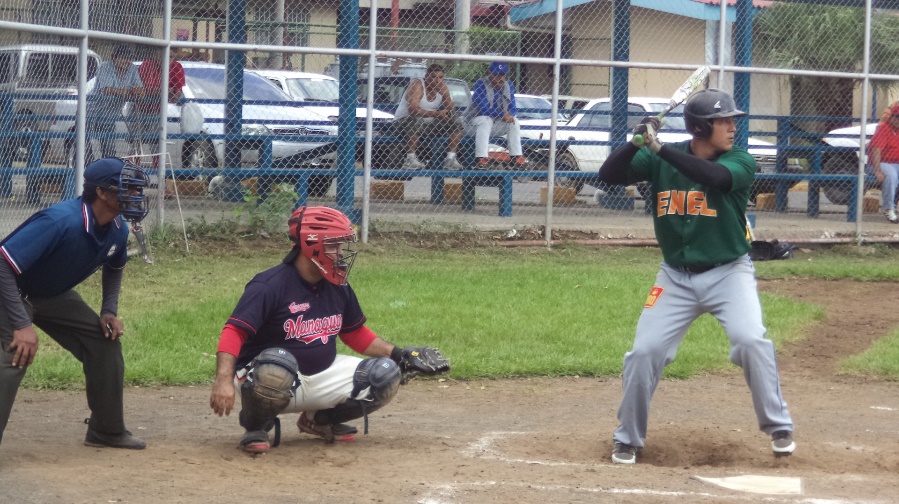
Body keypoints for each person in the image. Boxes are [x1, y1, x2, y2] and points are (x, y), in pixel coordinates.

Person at [597, 89, 795, 465]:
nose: (733, 127)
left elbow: (715, 177)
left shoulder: (740, 161)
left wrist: (658, 149)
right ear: (701, 127)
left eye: (732, 120)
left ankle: (778, 424)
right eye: (724, 121)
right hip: (674, 278)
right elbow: (608, 174)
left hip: (729, 274)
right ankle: (627, 437)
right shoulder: (660, 156)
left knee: (750, 339)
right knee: (644, 352)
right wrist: (636, 139)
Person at [209, 206, 449, 454]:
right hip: (265, 378)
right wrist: (223, 379)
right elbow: (234, 331)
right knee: (277, 366)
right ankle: (256, 425)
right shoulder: (269, 285)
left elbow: (354, 333)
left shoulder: (338, 285)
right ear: (312, 245)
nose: (341, 253)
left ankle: (319, 420)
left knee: (385, 373)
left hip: (319, 376)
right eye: (334, 245)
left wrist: (398, 354)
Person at [0, 157, 150, 449]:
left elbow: (115, 267)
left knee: (103, 342)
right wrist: (21, 324)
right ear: (102, 193)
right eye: (127, 188)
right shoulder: (60, 221)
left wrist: (109, 310)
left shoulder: (118, 229)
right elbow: (3, 264)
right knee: (14, 357)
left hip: (51, 294)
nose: (136, 195)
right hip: (9, 289)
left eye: (136, 189)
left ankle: (106, 431)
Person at [393, 63, 464, 170]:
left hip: (427, 126)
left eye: (440, 77)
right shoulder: (418, 85)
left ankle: (450, 159)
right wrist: (436, 114)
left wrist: (445, 96)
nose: (437, 81)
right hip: (403, 123)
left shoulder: (442, 88)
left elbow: (451, 110)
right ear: (426, 77)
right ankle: (410, 159)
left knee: (454, 119)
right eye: (433, 77)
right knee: (417, 118)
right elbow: (412, 110)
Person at [86, 44, 144, 163]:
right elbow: (107, 90)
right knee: (84, 145)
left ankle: (106, 176)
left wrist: (134, 91)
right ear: (114, 58)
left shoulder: (132, 69)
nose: (126, 61)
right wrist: (129, 91)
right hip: (91, 111)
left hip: (110, 115)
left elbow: (140, 92)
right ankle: (81, 172)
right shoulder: (105, 66)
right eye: (123, 57)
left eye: (129, 58)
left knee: (109, 150)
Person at [462, 62, 525, 168]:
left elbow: (513, 107)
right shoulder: (481, 84)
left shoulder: (508, 85)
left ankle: (516, 157)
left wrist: (510, 115)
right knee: (486, 120)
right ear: (489, 73)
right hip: (472, 124)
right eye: (497, 75)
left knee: (514, 121)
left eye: (502, 74)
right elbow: (484, 109)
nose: (500, 78)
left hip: (493, 126)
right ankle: (481, 159)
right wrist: (502, 114)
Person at [134, 47, 185, 164]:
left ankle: (158, 175)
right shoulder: (147, 65)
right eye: (165, 56)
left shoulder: (177, 67)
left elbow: (176, 95)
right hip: (139, 108)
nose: (168, 60)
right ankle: (132, 173)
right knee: (136, 143)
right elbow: (149, 90)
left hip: (157, 110)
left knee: (156, 144)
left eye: (171, 57)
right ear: (157, 55)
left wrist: (166, 91)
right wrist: (168, 90)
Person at [867, 103, 899, 224]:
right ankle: (888, 208)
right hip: (880, 163)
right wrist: (877, 170)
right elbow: (876, 150)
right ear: (891, 117)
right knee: (891, 176)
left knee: (893, 174)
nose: (898, 120)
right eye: (896, 117)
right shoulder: (884, 129)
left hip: (896, 164)